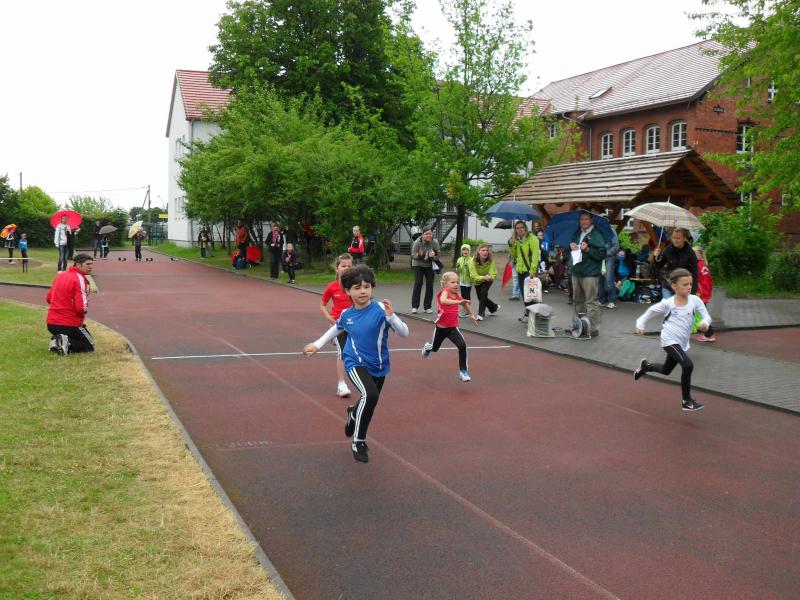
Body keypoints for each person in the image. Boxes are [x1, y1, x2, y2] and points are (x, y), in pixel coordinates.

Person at [304, 264, 410, 463]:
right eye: (357, 287)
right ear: (347, 291)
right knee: (370, 395)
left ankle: (353, 413)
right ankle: (358, 441)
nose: (363, 291)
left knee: (370, 400)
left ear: (372, 288)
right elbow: (336, 328)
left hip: (379, 364)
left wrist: (392, 317)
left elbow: (404, 333)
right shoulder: (347, 314)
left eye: (367, 287)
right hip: (354, 362)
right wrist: (317, 345)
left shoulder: (381, 309)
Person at [633, 268, 711, 412]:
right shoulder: (668, 303)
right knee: (687, 365)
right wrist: (640, 324)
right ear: (674, 286)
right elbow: (651, 311)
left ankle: (645, 367)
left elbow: (707, 316)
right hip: (669, 339)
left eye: (690, 284)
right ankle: (686, 401)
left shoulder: (695, 300)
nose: (689, 287)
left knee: (666, 370)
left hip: (682, 342)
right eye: (685, 284)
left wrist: (705, 323)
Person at [421, 271, 478, 382]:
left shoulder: (457, 296)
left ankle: (463, 371)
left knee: (462, 346)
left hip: (452, 328)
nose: (456, 284)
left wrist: (472, 315)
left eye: (457, 282)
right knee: (434, 348)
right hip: (441, 329)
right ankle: (428, 347)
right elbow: (443, 301)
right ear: (445, 284)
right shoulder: (444, 293)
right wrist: (458, 302)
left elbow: (465, 304)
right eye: (453, 282)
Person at [46, 253, 95, 356]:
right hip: (68, 323)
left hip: (51, 323)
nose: (90, 267)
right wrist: (84, 310)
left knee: (83, 337)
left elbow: (49, 298)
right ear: (78, 265)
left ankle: (59, 341)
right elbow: (81, 308)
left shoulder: (61, 275)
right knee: (89, 346)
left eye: (91, 264)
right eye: (88, 264)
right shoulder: (79, 279)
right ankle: (62, 342)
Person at [320, 253, 355, 398]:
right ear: (337, 268)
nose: (346, 268)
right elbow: (322, 304)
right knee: (342, 353)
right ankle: (341, 385)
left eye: (349, 266)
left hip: (354, 323)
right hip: (338, 324)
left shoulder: (356, 285)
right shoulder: (332, 287)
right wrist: (328, 317)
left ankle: (333, 338)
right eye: (343, 266)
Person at [569, 212, 606, 336]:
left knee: (591, 301)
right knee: (577, 300)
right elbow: (571, 249)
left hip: (590, 272)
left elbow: (602, 254)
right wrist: (572, 246)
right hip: (576, 271)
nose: (583, 221)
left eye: (586, 219)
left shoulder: (596, 234)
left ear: (591, 220)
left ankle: (592, 328)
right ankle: (579, 325)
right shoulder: (577, 233)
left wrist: (588, 249)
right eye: (581, 219)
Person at [653, 228, 698, 299]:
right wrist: (656, 256)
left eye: (678, 238)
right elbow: (658, 265)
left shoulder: (690, 253)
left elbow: (694, 274)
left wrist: (692, 293)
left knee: (681, 306)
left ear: (684, 239)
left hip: (683, 287)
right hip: (668, 286)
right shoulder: (668, 249)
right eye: (674, 238)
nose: (675, 240)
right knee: (668, 305)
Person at [509, 221, 540, 322]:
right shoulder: (517, 240)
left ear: (526, 228)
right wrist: (512, 245)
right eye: (517, 228)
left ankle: (533, 315)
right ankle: (528, 313)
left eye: (522, 227)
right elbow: (515, 255)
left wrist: (533, 270)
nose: (520, 229)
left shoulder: (533, 239)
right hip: (520, 270)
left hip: (529, 271)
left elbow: (535, 255)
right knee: (524, 295)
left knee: (531, 295)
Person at [410, 227, 440, 314]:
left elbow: (438, 255)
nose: (428, 235)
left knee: (430, 284)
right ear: (422, 235)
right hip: (418, 264)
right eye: (426, 234)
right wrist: (420, 255)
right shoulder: (417, 242)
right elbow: (413, 255)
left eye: (430, 234)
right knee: (418, 283)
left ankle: (427, 307)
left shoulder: (435, 242)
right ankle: (415, 306)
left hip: (429, 265)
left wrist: (433, 256)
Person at [469, 243, 498, 320]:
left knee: (483, 293)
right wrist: (483, 277)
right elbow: (473, 276)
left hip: (488, 279)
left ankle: (480, 314)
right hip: (478, 280)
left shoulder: (490, 261)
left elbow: (493, 273)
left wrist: (490, 277)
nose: (485, 252)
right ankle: (494, 307)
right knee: (481, 297)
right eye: (483, 250)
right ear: (478, 251)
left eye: (487, 250)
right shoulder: (472, 261)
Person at [693, 246, 717, 342]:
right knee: (701, 313)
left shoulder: (698, 265)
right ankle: (708, 334)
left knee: (702, 314)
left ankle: (709, 334)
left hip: (700, 293)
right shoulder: (702, 265)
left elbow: (702, 281)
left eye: (693, 253)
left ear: (699, 254)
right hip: (703, 293)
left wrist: (701, 293)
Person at [598, 229, 620, 309]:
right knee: (600, 280)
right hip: (599, 258)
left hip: (609, 258)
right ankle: (601, 300)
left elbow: (616, 246)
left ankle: (612, 301)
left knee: (608, 279)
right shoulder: (597, 231)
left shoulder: (611, 230)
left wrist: (607, 253)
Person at [455, 243, 473, 317]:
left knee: (467, 295)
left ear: (469, 251)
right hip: (462, 280)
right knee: (463, 295)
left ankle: (467, 310)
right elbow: (458, 270)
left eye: (467, 250)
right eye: (463, 250)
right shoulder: (459, 259)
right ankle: (465, 309)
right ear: (461, 251)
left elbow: (472, 271)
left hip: (468, 281)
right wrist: (458, 267)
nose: (465, 251)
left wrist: (467, 267)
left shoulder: (471, 259)